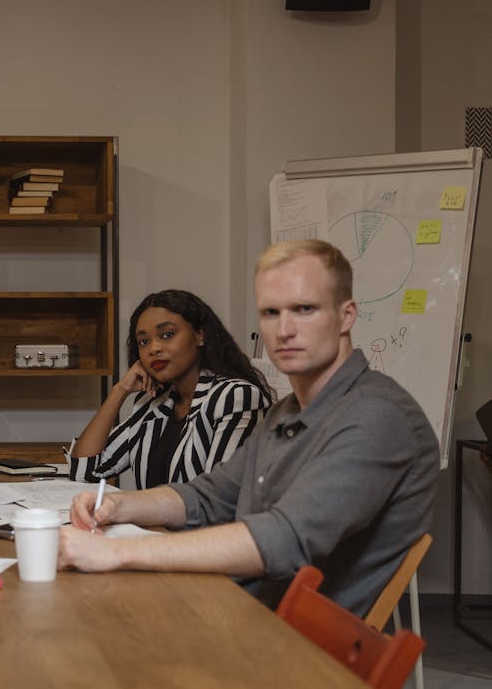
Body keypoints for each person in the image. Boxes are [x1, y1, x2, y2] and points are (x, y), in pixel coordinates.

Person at [59, 240, 439, 616]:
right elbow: (209, 495)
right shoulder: (286, 413)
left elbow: (284, 540)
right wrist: (118, 505)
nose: (284, 329)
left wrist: (116, 552)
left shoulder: (375, 415)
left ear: (347, 316)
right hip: (235, 608)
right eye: (271, 313)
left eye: (304, 309)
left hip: (292, 646)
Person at [69, 290, 272, 488]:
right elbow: (85, 471)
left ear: (200, 335)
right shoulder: (153, 403)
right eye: (144, 341)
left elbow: (216, 497)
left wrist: (127, 506)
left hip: (204, 523)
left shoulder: (235, 397)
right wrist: (120, 390)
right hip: (151, 522)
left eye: (167, 334)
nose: (154, 349)